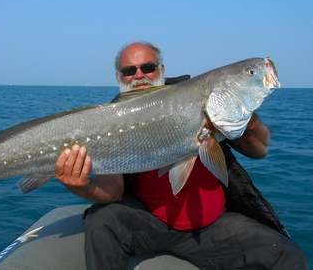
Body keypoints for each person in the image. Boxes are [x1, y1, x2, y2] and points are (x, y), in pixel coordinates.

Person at [54, 41, 308, 269]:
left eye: (148, 67)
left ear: (162, 69)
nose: (139, 76)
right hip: (149, 222)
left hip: (213, 226)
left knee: (286, 255)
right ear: (119, 77)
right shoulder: (113, 120)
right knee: (102, 220)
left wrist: (247, 119)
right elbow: (114, 191)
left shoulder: (203, 99)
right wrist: (83, 184)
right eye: (129, 71)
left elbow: (260, 150)